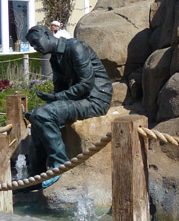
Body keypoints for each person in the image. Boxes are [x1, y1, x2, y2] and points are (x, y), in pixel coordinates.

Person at [25, 25, 113, 189]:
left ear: (47, 33)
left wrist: (56, 98)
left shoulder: (75, 47)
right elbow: (59, 89)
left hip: (95, 99)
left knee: (43, 115)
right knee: (37, 117)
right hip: (80, 98)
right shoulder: (55, 58)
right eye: (33, 46)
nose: (35, 48)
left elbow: (87, 83)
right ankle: (35, 177)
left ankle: (60, 164)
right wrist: (51, 100)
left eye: (36, 43)